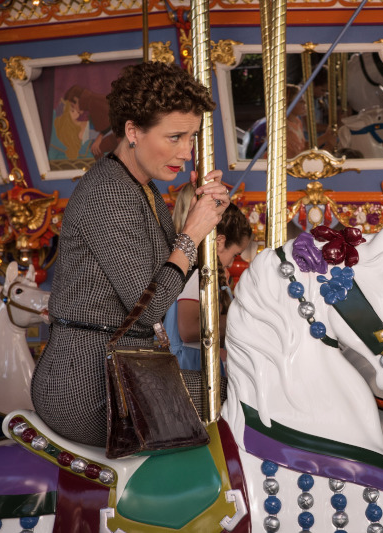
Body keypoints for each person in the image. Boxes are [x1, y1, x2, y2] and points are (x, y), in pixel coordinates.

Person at [31, 61, 230, 448]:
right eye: (174, 137)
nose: (187, 152)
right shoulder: (108, 192)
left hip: (124, 366)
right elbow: (150, 306)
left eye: (191, 138)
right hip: (86, 382)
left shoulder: (141, 186)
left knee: (234, 385)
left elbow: (169, 272)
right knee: (233, 393)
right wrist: (192, 232)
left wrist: (202, 214)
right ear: (133, 131)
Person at [164, 183, 251, 371]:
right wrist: (237, 320)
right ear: (219, 242)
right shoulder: (198, 275)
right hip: (189, 364)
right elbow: (188, 330)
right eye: (235, 254)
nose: (232, 263)